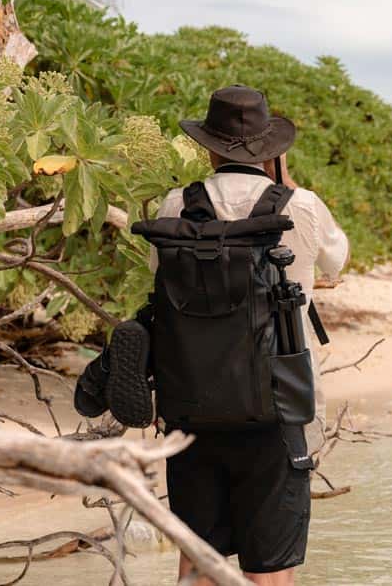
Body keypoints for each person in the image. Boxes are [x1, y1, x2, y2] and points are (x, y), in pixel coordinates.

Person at [160, 86, 350, 585]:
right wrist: (284, 184)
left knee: (197, 563)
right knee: (271, 570)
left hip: (191, 403)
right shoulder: (302, 205)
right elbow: (337, 260)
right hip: (280, 404)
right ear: (271, 151)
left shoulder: (176, 204)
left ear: (209, 147)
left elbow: (158, 277)